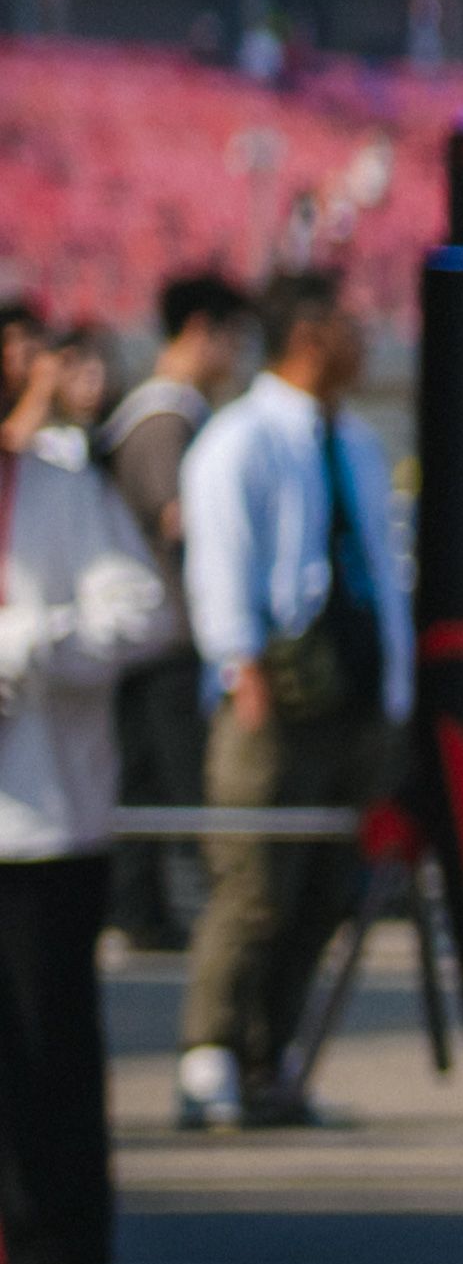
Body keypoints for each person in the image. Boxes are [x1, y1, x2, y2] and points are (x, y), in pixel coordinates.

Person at [173, 269, 404, 1130]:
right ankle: (210, 1053)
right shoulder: (241, 440)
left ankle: (273, 1055)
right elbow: (223, 562)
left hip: (350, 693)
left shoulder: (356, 442)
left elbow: (378, 565)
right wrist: (243, 666)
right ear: (307, 335)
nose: (365, 338)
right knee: (253, 883)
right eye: (348, 323)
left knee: (322, 889)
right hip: (273, 694)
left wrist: (394, 687)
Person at [0, 307, 177, 1264]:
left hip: (45, 824)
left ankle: (56, 1250)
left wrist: (30, 643)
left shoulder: (64, 493)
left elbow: (140, 613)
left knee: (50, 1041)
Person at [103, 268, 247, 950]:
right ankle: (144, 910)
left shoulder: (167, 412)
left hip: (158, 632)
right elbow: (177, 520)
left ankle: (142, 910)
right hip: (161, 634)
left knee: (149, 779)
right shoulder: (164, 418)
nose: (238, 353)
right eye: (231, 336)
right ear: (200, 331)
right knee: (170, 780)